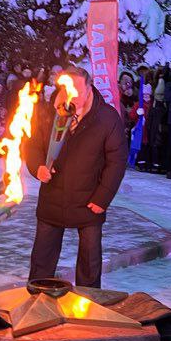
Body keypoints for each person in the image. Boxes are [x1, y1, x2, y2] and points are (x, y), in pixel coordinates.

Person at [25, 66, 127, 288]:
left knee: (90, 262)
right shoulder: (49, 112)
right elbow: (32, 145)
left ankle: (88, 299)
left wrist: (103, 197)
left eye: (79, 90)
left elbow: (117, 161)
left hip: (89, 200)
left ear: (89, 88)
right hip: (52, 198)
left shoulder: (107, 118)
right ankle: (37, 296)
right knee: (42, 258)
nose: (74, 96)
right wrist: (38, 167)